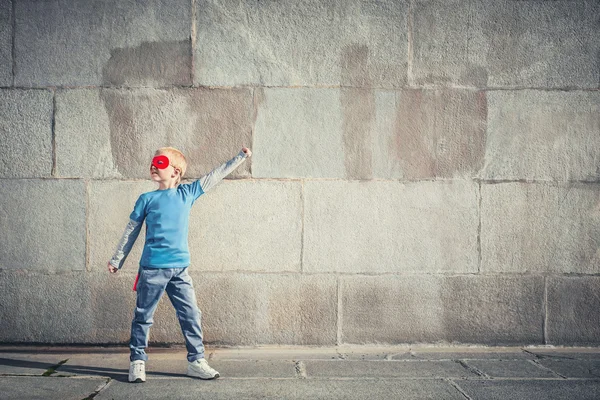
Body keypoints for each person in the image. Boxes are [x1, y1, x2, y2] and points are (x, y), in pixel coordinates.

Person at [107, 146, 252, 383]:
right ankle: (137, 361)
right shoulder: (146, 199)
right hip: (152, 269)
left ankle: (196, 361)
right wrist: (117, 259)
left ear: (175, 171)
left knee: (191, 314)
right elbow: (130, 231)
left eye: (160, 163)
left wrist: (240, 157)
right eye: (152, 163)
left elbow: (214, 176)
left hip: (180, 270)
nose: (153, 166)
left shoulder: (188, 193)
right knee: (144, 316)